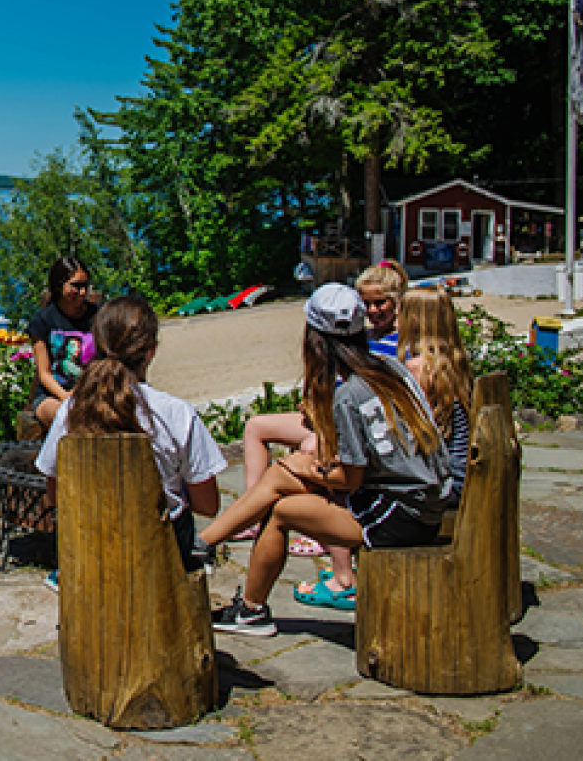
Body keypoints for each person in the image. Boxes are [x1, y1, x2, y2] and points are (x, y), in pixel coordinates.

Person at [200, 283, 446, 636]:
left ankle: (224, 573)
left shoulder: (349, 394)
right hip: (422, 501)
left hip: (398, 515)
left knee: (281, 499)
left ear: (314, 338)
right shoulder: (391, 369)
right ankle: (210, 551)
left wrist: (312, 468)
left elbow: (351, 479)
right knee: (285, 476)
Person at [35, 295, 226, 589]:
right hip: (159, 548)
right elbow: (207, 504)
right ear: (151, 351)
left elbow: (55, 492)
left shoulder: (71, 414)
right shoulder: (177, 414)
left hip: (91, 544)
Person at [398, 288, 474, 507]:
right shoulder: (453, 363)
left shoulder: (419, 369)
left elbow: (417, 437)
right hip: (459, 476)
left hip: (443, 484)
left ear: (413, 319)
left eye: (400, 312)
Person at [26, 257, 99, 428]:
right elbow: (44, 374)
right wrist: (67, 397)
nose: (82, 292)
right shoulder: (43, 321)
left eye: (85, 286)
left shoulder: (99, 317)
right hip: (52, 395)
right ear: (59, 286)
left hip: (92, 393)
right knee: (66, 417)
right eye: (76, 286)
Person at [357, 260, 409, 357]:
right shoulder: (360, 339)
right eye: (366, 303)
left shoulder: (406, 344)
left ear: (396, 301)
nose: (372, 310)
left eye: (380, 303)